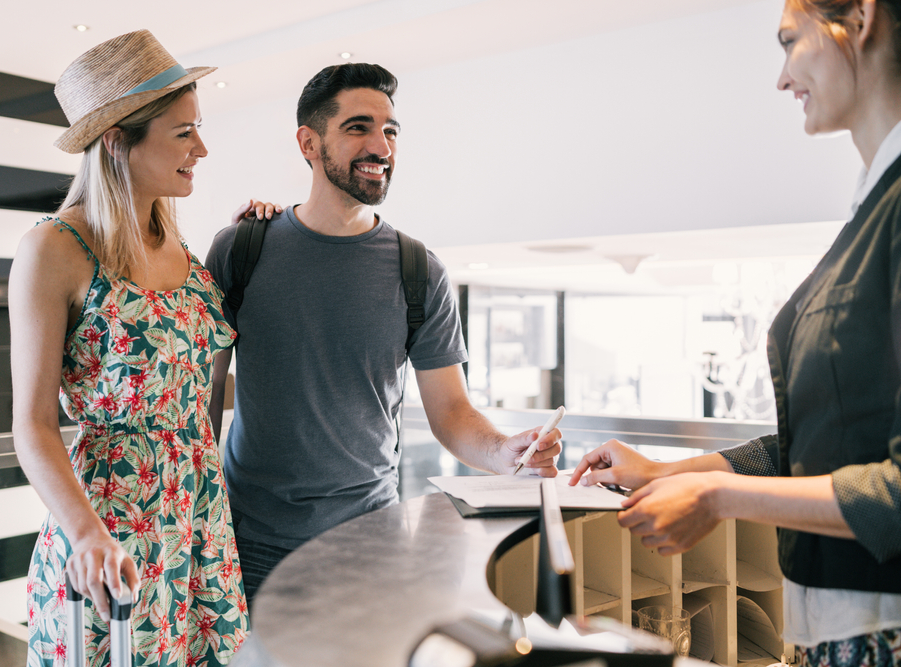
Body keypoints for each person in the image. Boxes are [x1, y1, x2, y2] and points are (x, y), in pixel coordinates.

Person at [569, 1, 901, 662]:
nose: (781, 79)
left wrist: (717, 495)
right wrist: (670, 469)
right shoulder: (873, 203)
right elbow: (821, 442)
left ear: (860, 20)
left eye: (789, 43)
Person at [204, 63, 563, 604]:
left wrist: (505, 451)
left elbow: (452, 414)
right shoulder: (241, 251)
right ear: (308, 142)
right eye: (358, 128)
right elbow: (201, 399)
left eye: (391, 130)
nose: (381, 146)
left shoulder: (419, 270)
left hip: (369, 545)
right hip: (247, 545)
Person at [10, 30, 248, 667]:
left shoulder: (183, 250)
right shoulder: (54, 250)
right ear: (118, 142)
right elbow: (32, 426)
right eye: (183, 133)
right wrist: (85, 534)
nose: (202, 148)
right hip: (110, 522)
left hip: (198, 520)